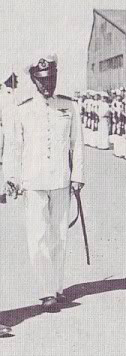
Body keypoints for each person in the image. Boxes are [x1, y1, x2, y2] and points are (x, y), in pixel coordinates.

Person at [3, 54, 84, 313]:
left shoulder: (68, 106)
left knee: (59, 235)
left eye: (52, 79)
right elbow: (14, 148)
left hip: (61, 179)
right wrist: (12, 179)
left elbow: (77, 144)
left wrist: (78, 176)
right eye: (44, 80)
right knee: (38, 236)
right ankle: (46, 291)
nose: (49, 84)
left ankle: (57, 286)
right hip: (34, 181)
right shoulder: (22, 108)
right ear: (34, 80)